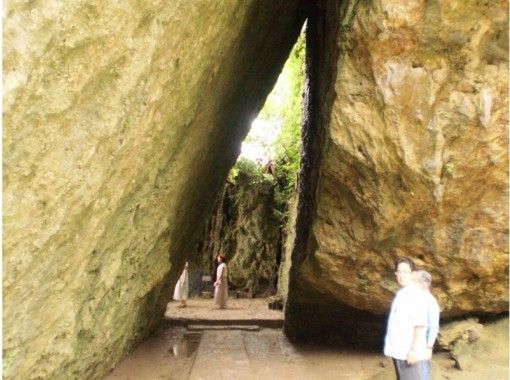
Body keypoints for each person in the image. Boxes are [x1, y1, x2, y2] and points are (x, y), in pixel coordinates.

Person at [384, 258, 428, 380]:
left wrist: (414, 350)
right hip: (399, 352)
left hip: (410, 354)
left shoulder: (416, 294)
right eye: (399, 271)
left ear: (413, 274)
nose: (402, 275)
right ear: (396, 274)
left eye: (405, 272)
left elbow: (420, 324)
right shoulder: (402, 294)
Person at [413, 270, 440, 380]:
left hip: (422, 348)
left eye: (415, 281)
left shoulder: (431, 301)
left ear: (425, 283)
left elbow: (433, 326)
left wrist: (429, 348)